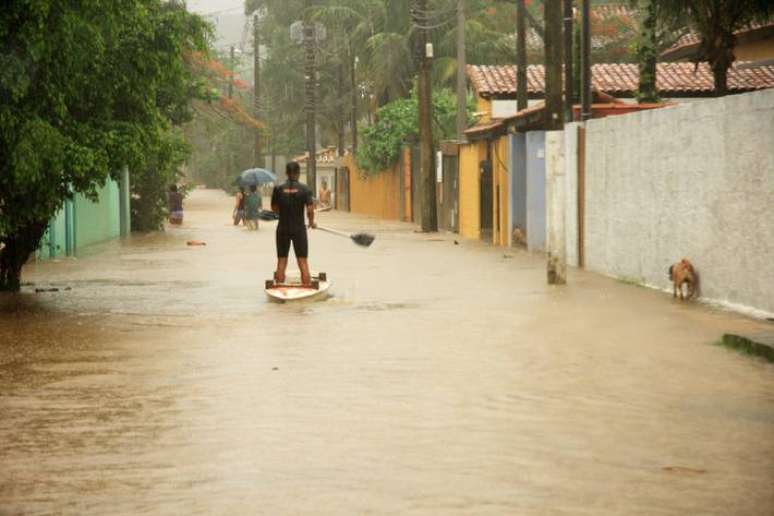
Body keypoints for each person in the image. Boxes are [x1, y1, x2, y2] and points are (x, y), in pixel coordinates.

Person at [271, 161, 316, 285]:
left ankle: (279, 288)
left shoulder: (278, 189)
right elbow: (310, 210)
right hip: (299, 230)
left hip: (282, 229)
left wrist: (284, 213)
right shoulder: (305, 189)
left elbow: (274, 208)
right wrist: (311, 222)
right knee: (302, 261)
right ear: (298, 173)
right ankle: (306, 287)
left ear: (286, 173)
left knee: (281, 261)